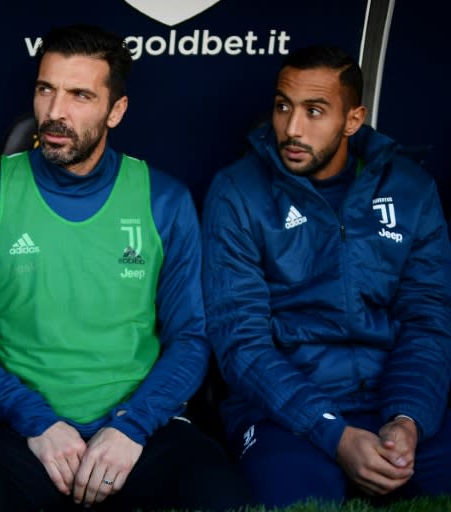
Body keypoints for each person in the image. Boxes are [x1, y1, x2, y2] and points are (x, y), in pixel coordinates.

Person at [0, 24, 252, 512]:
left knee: (221, 498)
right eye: (46, 90)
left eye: (80, 95)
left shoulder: (163, 199)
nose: (55, 112)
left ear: (115, 110)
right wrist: (35, 420)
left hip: (139, 426)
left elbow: (190, 336)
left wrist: (132, 426)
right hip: (19, 428)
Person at [202, 44, 451, 508]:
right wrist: (332, 431)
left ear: (353, 120)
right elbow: (240, 341)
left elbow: (427, 320)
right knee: (292, 499)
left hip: (390, 399)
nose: (292, 128)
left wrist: (407, 418)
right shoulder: (237, 192)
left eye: (314, 111)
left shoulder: (410, 189)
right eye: (282, 107)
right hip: (283, 413)